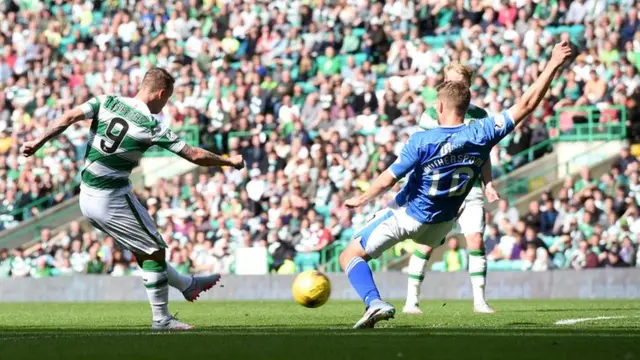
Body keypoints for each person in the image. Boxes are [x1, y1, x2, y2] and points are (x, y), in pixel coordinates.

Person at [339, 42, 573, 329]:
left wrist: (362, 198)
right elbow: (526, 104)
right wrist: (552, 64)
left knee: (349, 255)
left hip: (409, 215)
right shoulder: (483, 131)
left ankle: (375, 302)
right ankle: (423, 300)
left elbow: (388, 179)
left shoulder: (421, 140)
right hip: (443, 225)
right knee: (435, 243)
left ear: (438, 106)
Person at [20, 68, 245, 330]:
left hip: (89, 193)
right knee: (154, 250)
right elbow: (194, 155)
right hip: (110, 196)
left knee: (144, 249)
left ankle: (186, 284)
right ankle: (161, 319)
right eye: (167, 99)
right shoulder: (150, 124)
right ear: (161, 94)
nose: (165, 104)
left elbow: (69, 116)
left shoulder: (107, 101)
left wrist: (38, 141)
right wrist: (228, 161)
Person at [405, 63, 500, 315]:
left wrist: (488, 183)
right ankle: (411, 299)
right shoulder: (430, 114)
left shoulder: (480, 116)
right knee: (426, 243)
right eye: (448, 80)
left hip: (468, 186)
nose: (451, 85)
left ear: (467, 85)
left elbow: (484, 153)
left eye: (457, 82)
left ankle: (479, 300)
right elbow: (422, 151)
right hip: (438, 189)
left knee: (476, 240)